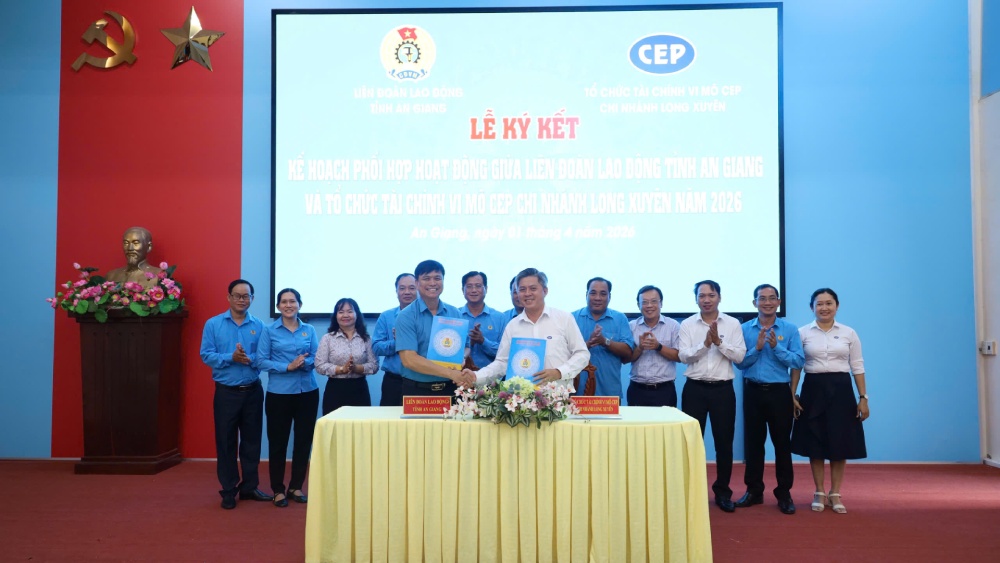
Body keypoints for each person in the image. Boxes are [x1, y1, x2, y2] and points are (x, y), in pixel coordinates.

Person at [791, 288, 869, 514]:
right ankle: (818, 491)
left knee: (839, 442)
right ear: (812, 307)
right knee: (815, 442)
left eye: (829, 303)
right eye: (819, 304)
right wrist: (792, 393)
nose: (824, 307)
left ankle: (835, 493)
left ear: (837, 305)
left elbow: (858, 366)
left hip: (841, 391)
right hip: (812, 389)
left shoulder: (848, 333)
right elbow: (796, 365)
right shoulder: (803, 333)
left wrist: (863, 397)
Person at [199, 279, 272, 509]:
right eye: (238, 295)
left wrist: (250, 360)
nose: (242, 300)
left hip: (252, 391)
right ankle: (229, 490)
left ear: (252, 298)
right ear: (228, 297)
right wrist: (231, 357)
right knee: (226, 442)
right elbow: (206, 355)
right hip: (226, 393)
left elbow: (263, 358)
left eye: (246, 296)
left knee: (251, 442)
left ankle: (249, 488)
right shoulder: (213, 324)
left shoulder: (259, 326)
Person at [733, 284, 804, 515]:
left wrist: (776, 348)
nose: (767, 302)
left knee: (782, 444)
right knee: (754, 445)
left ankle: (784, 493)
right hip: (752, 391)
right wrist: (758, 348)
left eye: (772, 298)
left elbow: (798, 361)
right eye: (762, 298)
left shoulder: (790, 329)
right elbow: (740, 362)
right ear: (754, 303)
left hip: (779, 393)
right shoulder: (744, 329)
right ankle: (754, 491)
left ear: (779, 302)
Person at [678, 280, 747, 513]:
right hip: (694, 389)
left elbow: (739, 357)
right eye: (701, 296)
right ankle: (690, 492)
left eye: (711, 295)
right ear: (696, 299)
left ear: (719, 297)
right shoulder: (687, 324)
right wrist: (705, 344)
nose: (706, 300)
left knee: (723, 444)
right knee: (689, 443)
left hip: (722, 391)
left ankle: (723, 492)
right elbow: (684, 355)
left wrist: (719, 342)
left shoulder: (733, 323)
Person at [471, 268, 590, 387]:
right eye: (522, 289)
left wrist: (559, 372)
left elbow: (582, 354)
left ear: (545, 291)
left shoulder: (564, 318)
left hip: (557, 398)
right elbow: (502, 363)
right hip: (520, 400)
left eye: (533, 288)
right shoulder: (513, 326)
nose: (527, 293)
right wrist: (475, 376)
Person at [256, 288, 319, 508]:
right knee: (278, 443)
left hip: (307, 392)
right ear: (278, 306)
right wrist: (288, 366)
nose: (289, 305)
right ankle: (278, 489)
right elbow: (261, 361)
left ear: (299, 304)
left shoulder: (309, 330)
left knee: (303, 442)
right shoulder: (269, 330)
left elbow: (316, 358)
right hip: (279, 394)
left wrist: (305, 362)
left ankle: (296, 486)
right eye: (284, 302)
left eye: (293, 301)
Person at [396, 260, 476, 397]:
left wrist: (461, 357)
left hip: (450, 389)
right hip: (417, 391)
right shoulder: (406, 316)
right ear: (416, 283)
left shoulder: (455, 313)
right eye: (426, 278)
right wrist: (451, 373)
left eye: (437, 278)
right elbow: (409, 359)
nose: (433, 283)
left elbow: (466, 346)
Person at [573, 277, 634, 398]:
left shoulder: (620, 318)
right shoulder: (572, 318)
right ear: (586, 295)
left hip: (609, 393)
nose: (597, 298)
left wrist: (604, 341)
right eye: (593, 293)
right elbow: (563, 354)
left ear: (609, 297)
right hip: (577, 393)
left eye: (603, 294)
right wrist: (588, 343)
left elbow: (628, 352)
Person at [315, 298, 378, 415]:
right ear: (336, 316)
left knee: (360, 429)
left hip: (359, 389)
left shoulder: (366, 339)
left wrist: (356, 368)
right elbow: (319, 365)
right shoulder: (327, 338)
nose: (345, 315)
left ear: (356, 314)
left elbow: (374, 365)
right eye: (341, 312)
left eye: (349, 311)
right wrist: (341, 369)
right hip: (335, 390)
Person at [627, 285, 681, 407]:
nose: (649, 306)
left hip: (664, 390)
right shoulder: (631, 326)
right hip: (637, 389)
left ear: (661, 303)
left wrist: (658, 347)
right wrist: (640, 348)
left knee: (666, 426)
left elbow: (679, 356)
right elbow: (627, 359)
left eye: (653, 301)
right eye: (644, 302)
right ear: (638, 305)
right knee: (636, 426)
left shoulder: (673, 326)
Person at [372, 273, 417, 406]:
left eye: (412, 288)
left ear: (419, 289)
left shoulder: (427, 317)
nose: (407, 292)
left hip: (420, 380)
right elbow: (376, 347)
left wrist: (409, 340)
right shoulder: (386, 316)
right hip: (393, 381)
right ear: (396, 291)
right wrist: (398, 342)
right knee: (388, 423)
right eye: (402, 288)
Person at [459, 271, 508, 370]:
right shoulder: (455, 315)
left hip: (491, 380)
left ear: (486, 289)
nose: (474, 290)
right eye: (469, 286)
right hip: (458, 378)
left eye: (478, 286)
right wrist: (468, 344)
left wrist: (483, 341)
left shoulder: (500, 318)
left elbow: (505, 353)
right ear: (462, 290)